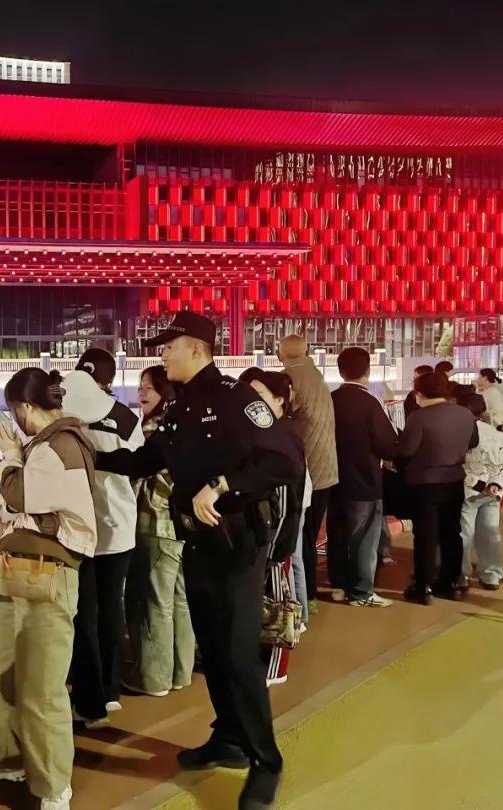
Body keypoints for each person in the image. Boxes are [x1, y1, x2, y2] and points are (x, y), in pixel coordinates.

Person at [96, 312, 301, 810]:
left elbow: (285, 461)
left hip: (238, 545)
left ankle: (266, 761)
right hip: (198, 543)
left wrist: (223, 485)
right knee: (213, 648)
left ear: (196, 349)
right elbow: (147, 460)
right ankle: (229, 738)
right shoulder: (181, 407)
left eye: (170, 347)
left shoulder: (237, 398)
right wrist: (88, 454)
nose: (162, 356)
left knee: (238, 654)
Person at [0, 367, 96, 810]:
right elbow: (21, 504)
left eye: (12, 411)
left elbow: (17, 497)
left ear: (23, 408)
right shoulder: (48, 444)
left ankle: (54, 784)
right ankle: (8, 756)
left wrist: (7, 459)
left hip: (48, 573)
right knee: (0, 673)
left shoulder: (59, 446)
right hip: (20, 569)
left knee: (42, 687)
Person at [60, 350, 142, 726]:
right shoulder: (125, 417)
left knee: (84, 613)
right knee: (111, 610)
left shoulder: (64, 415)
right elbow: (138, 465)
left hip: (79, 528)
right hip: (119, 526)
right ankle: (110, 691)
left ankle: (87, 696)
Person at [122, 365, 194, 698]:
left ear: (164, 392)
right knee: (179, 599)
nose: (141, 393)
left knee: (153, 602)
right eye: (140, 387)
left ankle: (154, 678)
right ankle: (180, 672)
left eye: (148, 388)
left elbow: (143, 476)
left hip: (155, 522)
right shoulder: (184, 426)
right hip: (181, 526)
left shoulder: (153, 430)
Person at [244, 369, 306, 686]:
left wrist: (274, 544)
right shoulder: (268, 432)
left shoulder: (280, 437)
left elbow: (284, 499)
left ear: (279, 400)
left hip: (275, 539)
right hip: (265, 536)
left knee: (278, 606)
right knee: (264, 604)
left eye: (259, 396)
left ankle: (275, 669)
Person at [397, 372, 479, 604]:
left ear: (420, 392)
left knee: (426, 536)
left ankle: (423, 586)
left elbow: (406, 450)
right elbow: (473, 442)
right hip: (454, 479)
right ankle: (450, 583)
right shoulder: (464, 414)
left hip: (424, 482)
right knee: (451, 533)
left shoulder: (418, 417)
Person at [327, 348, 398, 607]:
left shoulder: (330, 399)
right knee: (364, 539)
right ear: (367, 371)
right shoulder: (370, 402)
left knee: (337, 534)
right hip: (364, 480)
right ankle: (361, 592)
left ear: (340, 371)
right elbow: (387, 443)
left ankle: (338, 585)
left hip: (333, 479)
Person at [278, 334, 339, 613]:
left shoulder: (290, 379)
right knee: (310, 535)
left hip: (309, 471)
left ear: (282, 353)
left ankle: (306, 598)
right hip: (326, 467)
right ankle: (308, 596)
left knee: (300, 539)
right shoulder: (316, 375)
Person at [459, 393, 503, 591]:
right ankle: (491, 575)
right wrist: (496, 484)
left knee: (464, 534)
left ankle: (462, 575)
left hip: (470, 492)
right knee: (490, 533)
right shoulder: (496, 435)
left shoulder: (462, 432)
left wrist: (479, 484)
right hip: (493, 493)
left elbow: (459, 467)